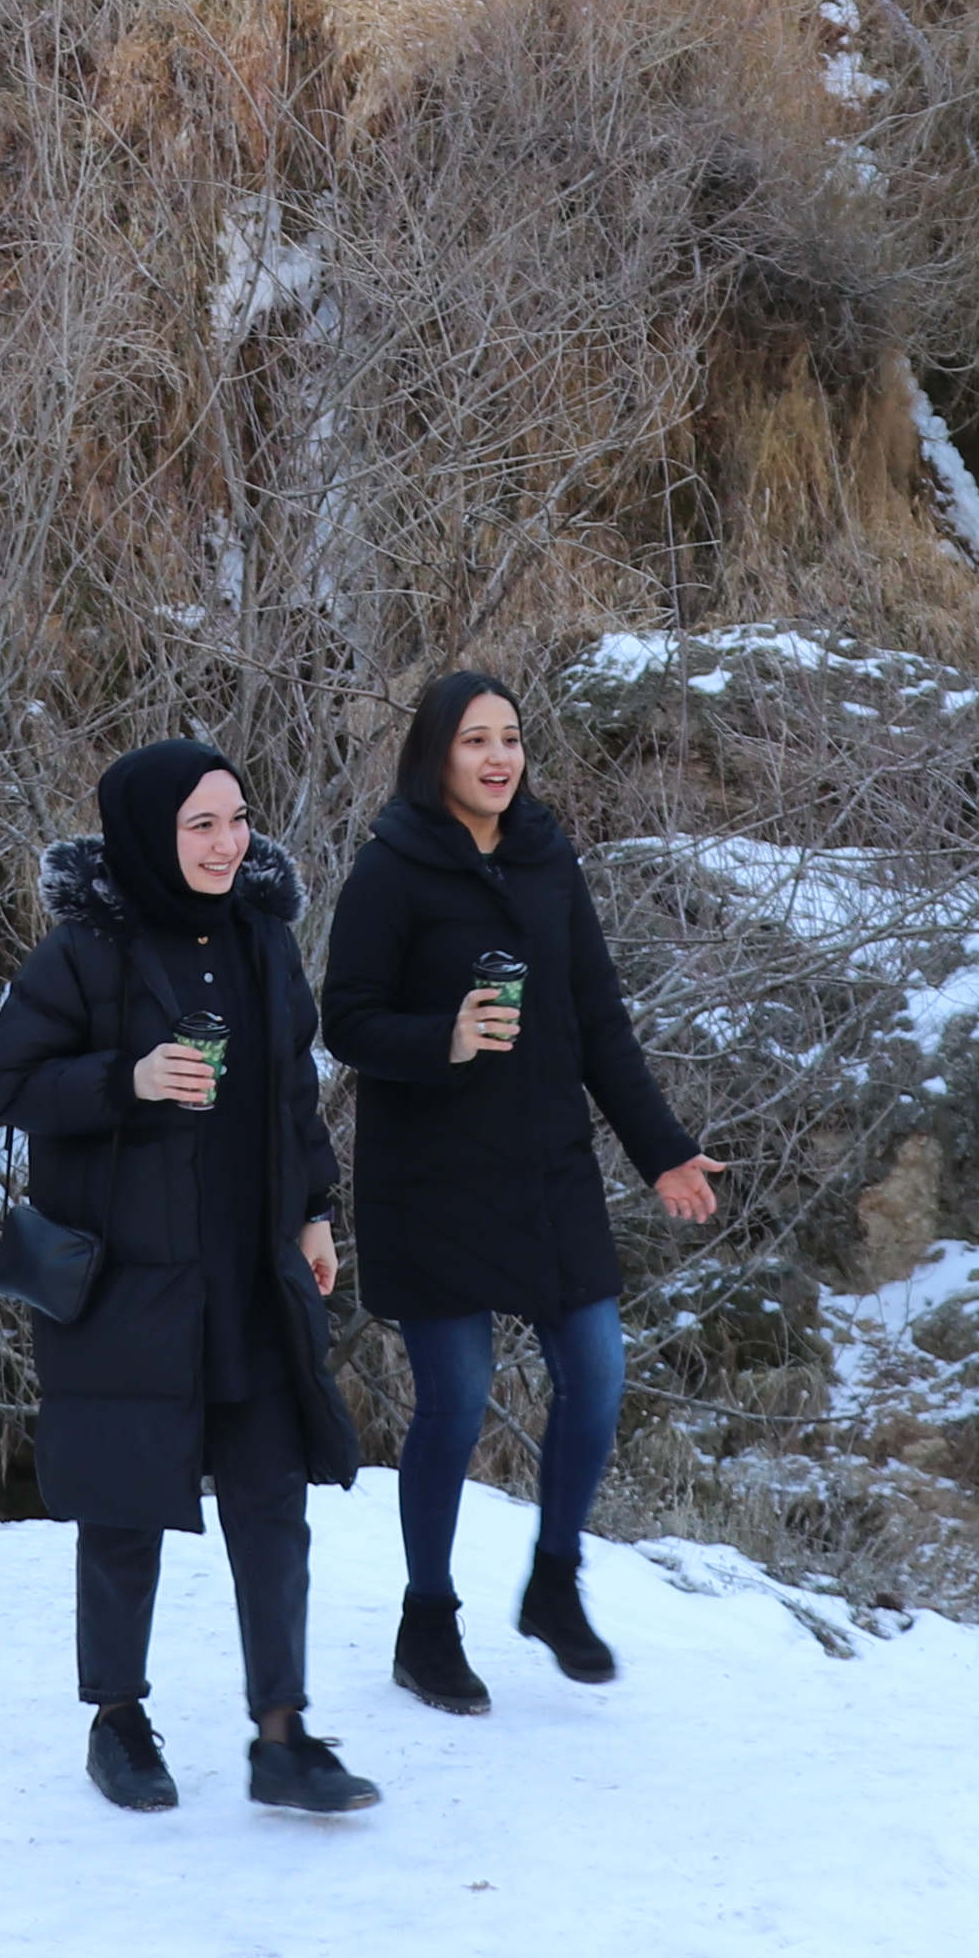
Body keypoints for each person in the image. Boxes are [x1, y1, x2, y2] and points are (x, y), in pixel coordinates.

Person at [0, 735, 380, 1817]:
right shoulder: (85, 952)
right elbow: (11, 1078)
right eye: (200, 823)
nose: (225, 841)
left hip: (248, 1269)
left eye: (237, 819)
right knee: (123, 1508)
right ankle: (117, 1723)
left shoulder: (263, 940)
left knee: (272, 1502)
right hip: (127, 1283)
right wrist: (130, 1075)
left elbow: (294, 1092)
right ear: (152, 834)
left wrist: (313, 1209)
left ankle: (282, 1733)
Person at [316, 668, 721, 1713]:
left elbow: (599, 1022)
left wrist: (663, 1150)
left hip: (549, 1172)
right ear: (434, 756)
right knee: (451, 1406)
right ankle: (427, 1621)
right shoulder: (392, 870)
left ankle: (553, 1580)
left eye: (511, 737)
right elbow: (347, 1020)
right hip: (434, 1178)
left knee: (597, 1371)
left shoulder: (547, 860)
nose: (499, 757)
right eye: (474, 740)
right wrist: (444, 1036)